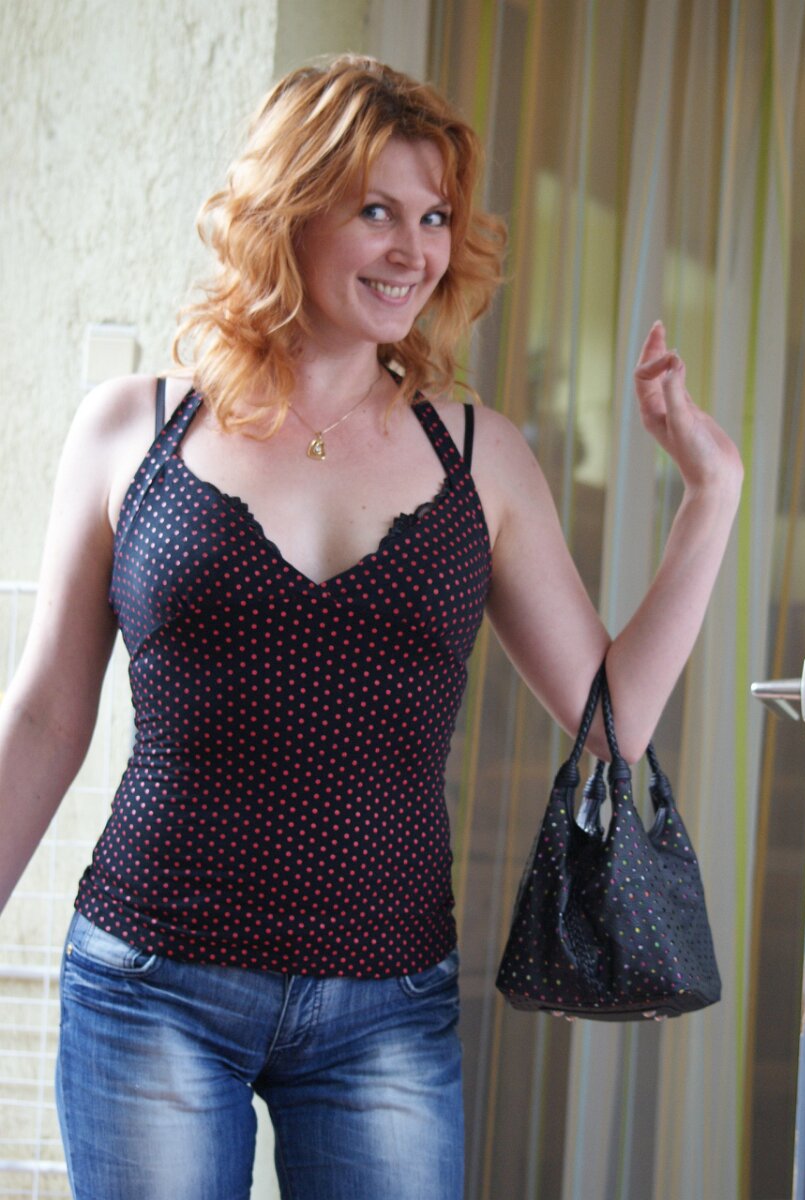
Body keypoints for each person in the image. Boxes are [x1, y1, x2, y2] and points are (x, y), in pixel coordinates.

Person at [0, 55, 742, 1200]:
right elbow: (49, 717)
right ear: (287, 212)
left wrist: (712, 494)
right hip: (152, 982)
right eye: (376, 211)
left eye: (434, 217)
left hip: (385, 1006)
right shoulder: (130, 431)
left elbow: (614, 722)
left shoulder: (479, 455)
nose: (413, 251)